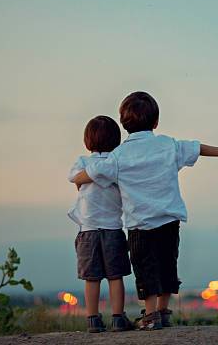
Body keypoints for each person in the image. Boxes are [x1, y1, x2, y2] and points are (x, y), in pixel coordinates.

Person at [72, 91, 218, 330]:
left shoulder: (119, 155)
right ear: (155, 122)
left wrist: (78, 179)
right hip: (169, 219)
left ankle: (150, 314)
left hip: (140, 224)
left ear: (123, 123)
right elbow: (195, 147)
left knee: (146, 269)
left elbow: (93, 172)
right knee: (166, 266)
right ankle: (163, 311)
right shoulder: (168, 145)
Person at [68, 115, 134, 333]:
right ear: (116, 140)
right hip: (113, 229)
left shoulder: (83, 162)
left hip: (88, 230)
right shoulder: (116, 164)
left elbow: (75, 178)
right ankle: (117, 318)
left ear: (88, 140)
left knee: (92, 278)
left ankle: (93, 319)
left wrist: (87, 179)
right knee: (115, 277)